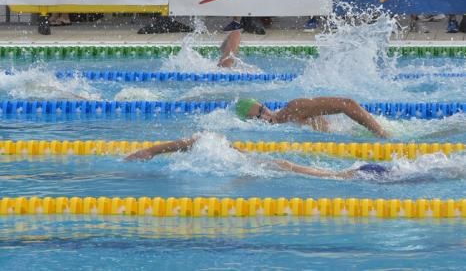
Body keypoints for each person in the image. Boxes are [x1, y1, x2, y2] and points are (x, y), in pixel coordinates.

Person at [126, 133, 390, 179]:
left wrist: (151, 151)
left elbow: (193, 141)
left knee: (336, 176)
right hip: (273, 166)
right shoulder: (220, 152)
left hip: (272, 166)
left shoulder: (215, 147)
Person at [234, 96, 388, 137]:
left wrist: (382, 134)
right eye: (257, 118)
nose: (266, 117)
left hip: (366, 134)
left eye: (262, 110)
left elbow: (347, 104)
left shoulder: (293, 109)